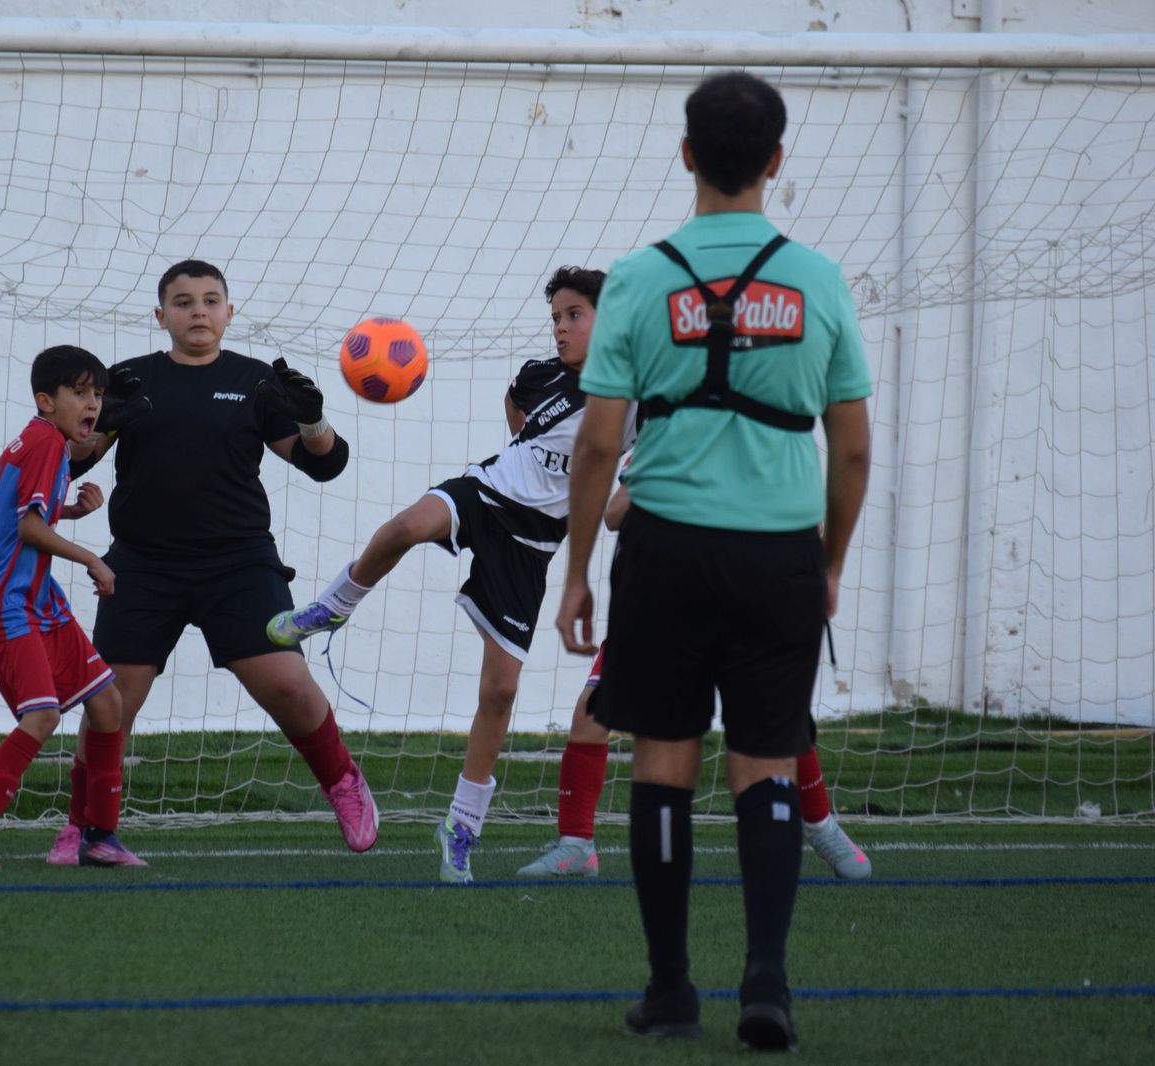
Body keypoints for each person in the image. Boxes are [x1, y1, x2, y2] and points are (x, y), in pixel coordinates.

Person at [557, 71, 873, 1051]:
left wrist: (574, 571)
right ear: (775, 160)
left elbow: (599, 443)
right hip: (778, 552)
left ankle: (669, 989)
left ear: (686, 154)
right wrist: (828, 562)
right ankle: (767, 980)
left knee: (661, 758)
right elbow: (853, 446)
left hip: (665, 549)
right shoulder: (817, 278)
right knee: (766, 759)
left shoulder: (641, 276)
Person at [268, 265, 607, 884]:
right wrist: (525, 456)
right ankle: (333, 607)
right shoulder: (540, 376)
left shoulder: (634, 394)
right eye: (555, 316)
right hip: (486, 492)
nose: (559, 327)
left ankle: (460, 824)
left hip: (531, 545)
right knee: (404, 528)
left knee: (499, 691)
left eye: (573, 316)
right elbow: (516, 402)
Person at [69, 259, 379, 853]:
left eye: (211, 300)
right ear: (161, 317)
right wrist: (99, 423)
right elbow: (76, 459)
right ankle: (80, 823)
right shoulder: (128, 380)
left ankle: (342, 781)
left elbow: (325, 463)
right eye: (183, 302)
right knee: (109, 707)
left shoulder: (258, 380)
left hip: (238, 566)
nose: (198, 312)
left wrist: (313, 418)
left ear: (229, 313)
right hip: (141, 565)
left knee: (288, 683)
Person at [519, 479, 872, 882]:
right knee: (591, 712)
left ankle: (821, 826)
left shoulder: (759, 435)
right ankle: (576, 843)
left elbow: (813, 520)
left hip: (742, 595)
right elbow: (615, 514)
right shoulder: (665, 435)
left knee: (778, 717)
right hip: (658, 600)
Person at [0, 345, 143, 871]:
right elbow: (27, 528)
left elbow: (27, 516)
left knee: (108, 705)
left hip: (39, 600)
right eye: (80, 392)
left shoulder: (45, 441)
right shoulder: (46, 445)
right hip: (7, 602)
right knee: (43, 715)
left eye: (97, 393)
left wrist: (69, 510)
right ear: (46, 401)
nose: (92, 403)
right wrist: (93, 559)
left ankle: (99, 836)